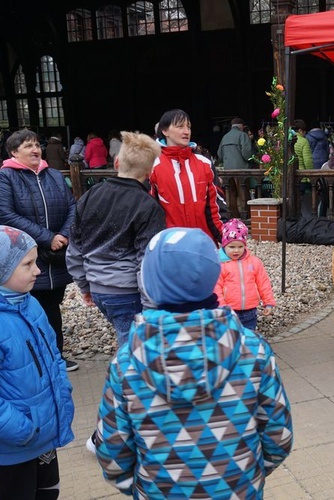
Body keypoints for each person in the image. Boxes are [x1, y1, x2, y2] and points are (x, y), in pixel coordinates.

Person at [91, 227, 293, 499]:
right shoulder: (253, 350)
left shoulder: (126, 363)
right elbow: (278, 436)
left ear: (148, 283)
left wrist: (141, 489)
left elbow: (112, 451)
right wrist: (249, 475)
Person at [0, 225, 75, 500]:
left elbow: (52, 353)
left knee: (48, 492)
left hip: (42, 429)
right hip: (15, 441)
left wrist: (62, 392)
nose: (38, 270)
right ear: (0, 270)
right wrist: (22, 430)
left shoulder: (27, 302)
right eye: (28, 264)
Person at [0, 129, 79, 371]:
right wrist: (47, 237)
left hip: (55, 254)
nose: (35, 149)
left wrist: (63, 235)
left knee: (51, 305)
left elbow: (72, 206)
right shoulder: (5, 177)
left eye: (37, 144)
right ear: (13, 152)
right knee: (29, 308)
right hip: (25, 257)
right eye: (28, 146)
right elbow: (3, 213)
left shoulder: (54, 175)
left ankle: (55, 356)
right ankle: (35, 361)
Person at [66, 131, 165, 347]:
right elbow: (147, 262)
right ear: (149, 172)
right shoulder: (148, 207)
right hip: (127, 290)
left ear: (117, 161)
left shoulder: (90, 195)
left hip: (98, 286)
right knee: (134, 350)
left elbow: (75, 248)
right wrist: (151, 307)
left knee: (129, 342)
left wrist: (84, 285)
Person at [150, 109, 223, 244]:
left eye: (188, 127)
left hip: (203, 243)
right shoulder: (153, 166)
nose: (186, 131)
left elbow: (215, 207)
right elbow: (148, 213)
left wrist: (227, 239)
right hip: (170, 245)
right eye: (180, 126)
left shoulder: (205, 163)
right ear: (164, 131)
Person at [214, 219, 276, 331]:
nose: (236, 250)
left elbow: (263, 283)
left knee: (249, 338)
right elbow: (216, 288)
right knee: (231, 339)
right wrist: (221, 307)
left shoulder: (254, 262)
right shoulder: (220, 265)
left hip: (250, 310)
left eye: (240, 246)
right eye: (232, 247)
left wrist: (268, 302)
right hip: (228, 311)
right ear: (223, 246)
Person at [217, 117, 255, 219]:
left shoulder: (224, 137)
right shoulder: (243, 135)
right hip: (241, 171)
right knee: (243, 194)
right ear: (241, 126)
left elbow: (219, 155)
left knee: (230, 195)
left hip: (227, 172)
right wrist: (253, 160)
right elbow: (247, 154)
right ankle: (246, 217)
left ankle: (233, 217)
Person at [291, 119, 314, 216]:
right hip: (302, 178)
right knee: (303, 202)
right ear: (300, 130)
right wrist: (311, 176)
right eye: (304, 131)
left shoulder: (286, 139)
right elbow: (307, 161)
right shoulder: (304, 141)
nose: (305, 134)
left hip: (290, 177)